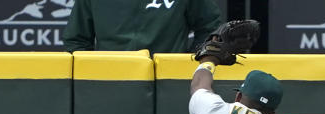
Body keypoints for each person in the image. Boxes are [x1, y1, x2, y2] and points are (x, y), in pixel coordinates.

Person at [63, 0, 222, 53]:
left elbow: (210, 28)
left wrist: (187, 66)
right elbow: (76, 41)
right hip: (108, 82)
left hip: (167, 83)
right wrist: (92, 77)